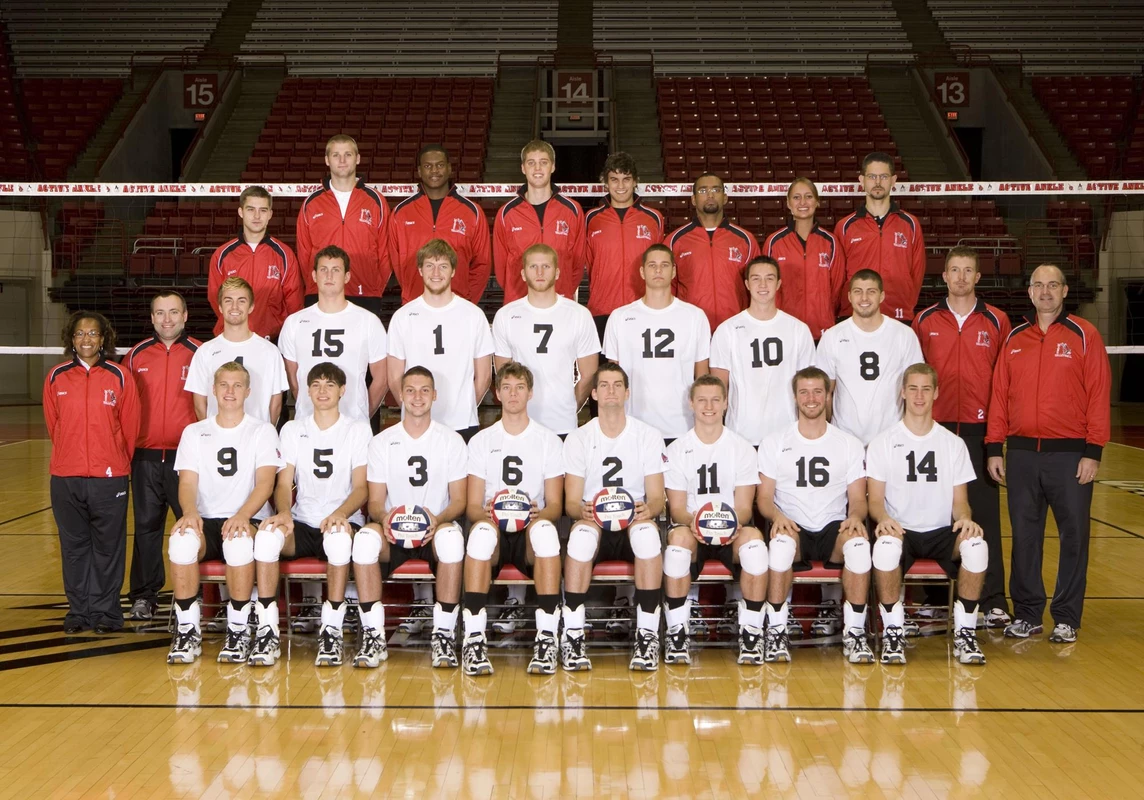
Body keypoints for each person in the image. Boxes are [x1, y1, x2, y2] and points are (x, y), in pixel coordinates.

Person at [987, 264, 1111, 644]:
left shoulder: (1084, 335)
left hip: (1070, 455)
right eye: (1038, 285)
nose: (1045, 291)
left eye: (1052, 285)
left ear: (1064, 290)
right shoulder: (1014, 338)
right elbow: (999, 395)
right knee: (1024, 536)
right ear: (1029, 292)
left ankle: (1066, 617)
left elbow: (1098, 394)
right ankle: (1027, 614)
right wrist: (995, 446)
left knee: (1074, 535)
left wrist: (1093, 451)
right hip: (1022, 453)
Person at [913, 246, 1012, 628]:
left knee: (984, 518)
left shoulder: (997, 321)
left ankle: (993, 600)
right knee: (936, 518)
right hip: (933, 434)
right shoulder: (925, 320)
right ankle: (937, 600)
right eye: (954, 270)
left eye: (967, 270)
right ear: (944, 276)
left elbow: (1004, 386)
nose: (960, 277)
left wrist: (995, 442)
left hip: (978, 433)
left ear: (978, 277)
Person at [866, 363, 988, 666]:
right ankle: (893, 633)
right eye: (913, 388)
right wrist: (883, 519)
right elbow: (875, 501)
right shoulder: (883, 442)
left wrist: (965, 519)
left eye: (925, 389)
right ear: (902, 393)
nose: (919, 396)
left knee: (977, 546)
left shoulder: (952, 444)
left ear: (936, 393)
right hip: (901, 530)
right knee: (883, 548)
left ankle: (965, 634)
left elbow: (960, 502)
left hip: (939, 532)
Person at [251, 362, 372, 666]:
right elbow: (283, 482)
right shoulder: (293, 429)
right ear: (307, 390)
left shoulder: (357, 429)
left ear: (343, 391)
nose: (322, 390)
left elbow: (361, 488)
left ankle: (331, 630)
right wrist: (283, 513)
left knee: (339, 542)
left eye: (330, 384)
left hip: (344, 522)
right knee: (266, 539)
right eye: (316, 384)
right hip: (302, 521)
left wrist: (340, 514)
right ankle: (267, 632)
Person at [165, 361, 283, 665]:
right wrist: (189, 512)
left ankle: (238, 629)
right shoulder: (194, 432)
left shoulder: (262, 430)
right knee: (180, 540)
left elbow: (266, 484)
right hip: (206, 519)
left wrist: (243, 515)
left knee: (239, 542)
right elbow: (187, 482)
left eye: (237, 385)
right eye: (223, 385)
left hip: (247, 519)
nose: (229, 391)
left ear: (247, 391)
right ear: (213, 389)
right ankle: (187, 630)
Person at [351, 366, 469, 668]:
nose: (418, 397)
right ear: (400, 395)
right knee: (364, 539)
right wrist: (386, 519)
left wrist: (437, 520)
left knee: (453, 539)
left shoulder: (451, 440)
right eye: (411, 390)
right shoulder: (381, 442)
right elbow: (375, 502)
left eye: (425, 390)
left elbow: (459, 501)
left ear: (435, 395)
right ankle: (374, 636)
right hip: (394, 531)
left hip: (435, 528)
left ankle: (443, 635)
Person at [756, 367, 872, 664]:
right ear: (795, 397)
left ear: (828, 395)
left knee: (859, 545)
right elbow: (764, 498)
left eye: (818, 391)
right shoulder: (775, 441)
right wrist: (777, 516)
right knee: (780, 547)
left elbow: (858, 499)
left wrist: (856, 518)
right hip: (792, 524)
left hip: (833, 526)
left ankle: (856, 633)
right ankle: (777, 632)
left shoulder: (848, 443)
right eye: (804, 392)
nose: (811, 398)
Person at [460, 362, 565, 676]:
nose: (513, 393)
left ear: (530, 393)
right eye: (507, 387)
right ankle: (473, 639)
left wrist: (536, 516)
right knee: (479, 533)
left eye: (520, 387)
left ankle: (547, 638)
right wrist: (490, 515)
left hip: (530, 530)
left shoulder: (548, 440)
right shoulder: (481, 440)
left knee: (547, 531)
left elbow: (555, 505)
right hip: (493, 528)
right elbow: (472, 506)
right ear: (497, 393)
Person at [561, 362, 666, 671]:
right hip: (595, 520)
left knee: (648, 535)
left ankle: (646, 636)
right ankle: (573, 635)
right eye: (604, 385)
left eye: (617, 385)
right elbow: (570, 501)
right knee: (579, 538)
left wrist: (651, 509)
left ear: (627, 392)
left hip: (632, 520)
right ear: (593, 393)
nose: (610, 390)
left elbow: (657, 496)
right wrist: (580, 510)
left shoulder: (647, 435)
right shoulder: (579, 438)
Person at [662, 375, 769, 665]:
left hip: (731, 529)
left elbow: (745, 507)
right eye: (701, 400)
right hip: (692, 528)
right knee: (677, 542)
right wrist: (699, 524)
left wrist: (730, 525)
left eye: (715, 400)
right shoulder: (676, 450)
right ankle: (676, 633)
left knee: (756, 544)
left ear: (725, 403)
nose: (708, 406)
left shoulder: (742, 448)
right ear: (691, 404)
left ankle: (752, 635)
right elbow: (678, 510)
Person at [45, 311, 140, 634]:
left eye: (93, 334)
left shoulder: (120, 375)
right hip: (65, 476)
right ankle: (78, 612)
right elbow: (53, 425)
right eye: (80, 334)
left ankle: (107, 613)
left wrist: (112, 461)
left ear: (103, 339)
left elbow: (130, 427)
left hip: (108, 478)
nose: (86, 339)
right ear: (71, 340)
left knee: (108, 548)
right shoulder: (57, 377)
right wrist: (69, 457)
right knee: (73, 548)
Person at [124, 291, 201, 621]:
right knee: (146, 529)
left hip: (189, 461)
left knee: (196, 526)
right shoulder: (135, 355)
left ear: (185, 316)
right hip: (146, 457)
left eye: (173, 312)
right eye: (160, 313)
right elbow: (126, 407)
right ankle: (144, 596)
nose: (166, 319)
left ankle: (200, 594)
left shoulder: (201, 353)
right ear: (152, 318)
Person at [387, 239, 494, 442]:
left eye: (443, 266)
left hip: (462, 423)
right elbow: (394, 377)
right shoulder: (403, 317)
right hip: (416, 424)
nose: (436, 273)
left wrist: (465, 407)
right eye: (430, 266)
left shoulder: (473, 315)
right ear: (420, 270)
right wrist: (415, 410)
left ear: (453, 271)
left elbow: (484, 377)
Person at [603, 244, 711, 444]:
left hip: (682, 425)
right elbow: (612, 379)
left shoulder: (694, 316)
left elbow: (702, 376)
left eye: (664, 265)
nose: (658, 270)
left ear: (674, 271)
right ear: (642, 272)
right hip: (633, 425)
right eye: (652, 265)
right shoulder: (620, 317)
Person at [492, 243, 599, 437]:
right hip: (518, 425)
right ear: (523, 274)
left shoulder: (578, 315)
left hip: (563, 424)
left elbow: (589, 374)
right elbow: (503, 375)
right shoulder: (506, 315)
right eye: (533, 266)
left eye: (546, 266)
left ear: (557, 272)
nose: (540, 272)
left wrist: (569, 406)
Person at [710, 256, 816, 448]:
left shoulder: (798, 329)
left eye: (769, 278)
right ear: (747, 284)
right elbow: (718, 388)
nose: (763, 284)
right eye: (756, 278)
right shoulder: (727, 330)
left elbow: (806, 387)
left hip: (787, 433)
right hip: (741, 434)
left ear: (778, 284)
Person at [278, 245, 388, 421]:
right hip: (308, 422)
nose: (329, 276)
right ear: (314, 275)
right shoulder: (294, 322)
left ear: (347, 276)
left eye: (336, 270)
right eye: (323, 270)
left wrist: (362, 416)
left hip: (353, 424)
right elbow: (293, 378)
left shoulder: (367, 321)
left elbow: (382, 378)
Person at [815, 269, 923, 446]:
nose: (864, 298)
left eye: (871, 292)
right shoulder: (833, 336)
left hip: (892, 438)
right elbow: (825, 392)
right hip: (845, 438)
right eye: (858, 291)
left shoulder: (903, 334)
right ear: (849, 296)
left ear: (881, 296)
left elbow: (914, 389)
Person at [296, 134, 391, 314]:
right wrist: (315, 283)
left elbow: (385, 251)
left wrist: (375, 285)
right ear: (326, 160)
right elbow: (304, 252)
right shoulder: (312, 203)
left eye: (348, 154)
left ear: (357, 158)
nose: (342, 160)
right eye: (335, 155)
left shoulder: (375, 201)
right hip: (321, 293)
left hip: (365, 293)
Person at [390, 144, 491, 305]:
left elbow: (482, 263)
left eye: (440, 165)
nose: (434, 170)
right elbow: (397, 263)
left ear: (449, 169)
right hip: (414, 304)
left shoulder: (472, 212)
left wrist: (466, 301)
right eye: (428, 166)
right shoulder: (400, 213)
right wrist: (411, 293)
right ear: (419, 171)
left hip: (458, 305)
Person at [584, 151, 665, 341]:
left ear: (635, 181)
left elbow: (661, 264)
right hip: (602, 310)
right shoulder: (591, 219)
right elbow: (589, 262)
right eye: (614, 179)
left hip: (643, 309)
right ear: (605, 182)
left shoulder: (654, 218)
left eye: (626, 179)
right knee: (604, 371)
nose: (621, 186)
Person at [493, 139, 586, 304]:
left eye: (543, 162)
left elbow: (577, 263)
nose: (537, 169)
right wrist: (517, 293)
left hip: (560, 302)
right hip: (519, 303)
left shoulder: (572, 210)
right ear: (523, 168)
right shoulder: (506, 213)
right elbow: (501, 268)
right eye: (531, 163)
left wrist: (563, 291)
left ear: (553, 166)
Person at [835, 152, 925, 322]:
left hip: (899, 315)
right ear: (862, 181)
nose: (877, 182)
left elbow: (917, 273)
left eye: (884, 176)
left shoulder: (910, 224)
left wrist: (906, 304)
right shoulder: (845, 226)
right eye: (872, 176)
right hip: (855, 315)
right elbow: (838, 277)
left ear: (893, 180)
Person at [185, 277, 288, 424]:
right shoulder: (205, 351)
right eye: (228, 300)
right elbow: (200, 404)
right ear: (220, 306)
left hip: (256, 439)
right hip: (218, 440)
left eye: (241, 301)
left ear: (251, 306)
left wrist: (264, 433)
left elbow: (276, 403)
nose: (234, 307)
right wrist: (215, 432)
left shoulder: (270, 351)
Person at [665, 173, 760, 332]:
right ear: (693, 200)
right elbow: (667, 288)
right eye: (703, 191)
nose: (710, 195)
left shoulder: (746, 240)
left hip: (736, 329)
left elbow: (757, 287)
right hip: (691, 329)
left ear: (725, 197)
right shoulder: (675, 241)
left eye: (716, 190)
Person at [207, 185, 303, 341]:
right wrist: (236, 325)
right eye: (251, 209)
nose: (257, 216)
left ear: (270, 214)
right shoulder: (222, 255)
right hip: (231, 337)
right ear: (241, 212)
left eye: (263, 210)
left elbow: (294, 303)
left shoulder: (284, 254)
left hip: (272, 339)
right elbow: (215, 298)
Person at [763, 177, 846, 340]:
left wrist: (824, 312)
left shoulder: (831, 242)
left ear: (817, 202)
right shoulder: (774, 242)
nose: (803, 202)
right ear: (788, 203)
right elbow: (767, 286)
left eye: (808, 196)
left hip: (823, 330)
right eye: (796, 197)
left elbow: (837, 287)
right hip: (785, 330)